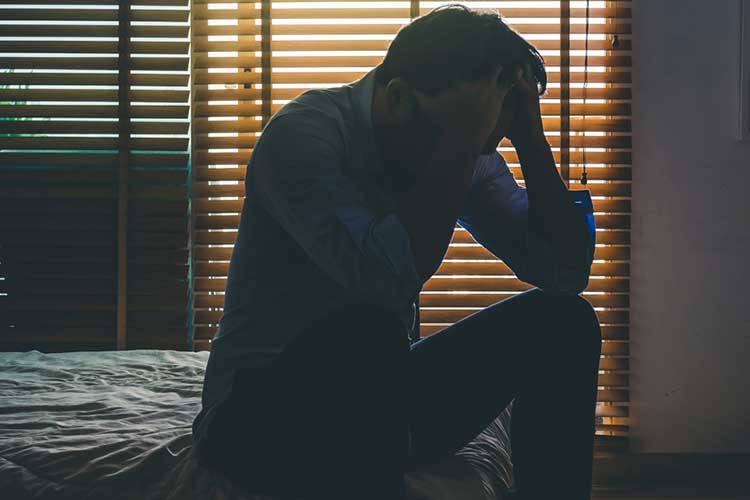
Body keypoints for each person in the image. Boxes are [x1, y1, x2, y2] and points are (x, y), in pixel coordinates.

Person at [192, 5, 601, 500]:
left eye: (481, 140)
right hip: (256, 416)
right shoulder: (305, 138)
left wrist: (529, 138)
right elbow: (384, 282)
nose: (472, 153)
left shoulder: (463, 150)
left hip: (375, 405)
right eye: (463, 134)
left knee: (565, 323)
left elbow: (564, 272)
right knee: (371, 331)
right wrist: (463, 137)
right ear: (400, 98)